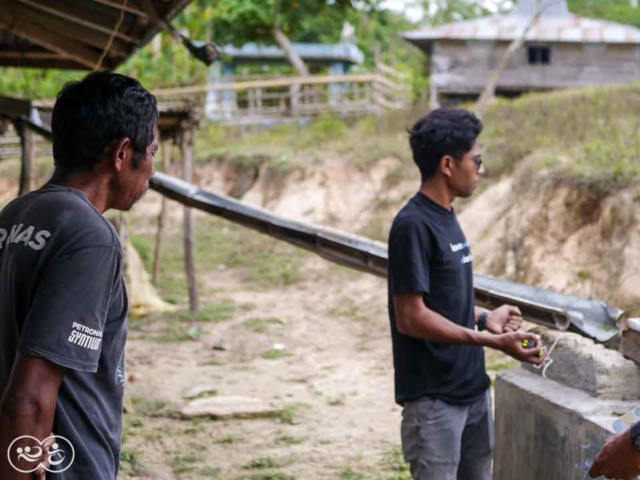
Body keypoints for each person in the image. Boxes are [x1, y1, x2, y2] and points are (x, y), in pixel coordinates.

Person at [0, 72, 158, 479]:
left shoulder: (14, 215)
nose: (152, 171)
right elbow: (29, 399)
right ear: (123, 152)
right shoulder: (89, 237)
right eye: (152, 151)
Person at [388, 107, 546, 480]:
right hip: (435, 402)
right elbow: (411, 317)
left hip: (472, 391)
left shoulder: (446, 215)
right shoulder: (413, 225)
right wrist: (492, 342)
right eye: (476, 160)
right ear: (447, 164)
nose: (481, 169)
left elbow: (439, 300)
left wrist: (484, 319)